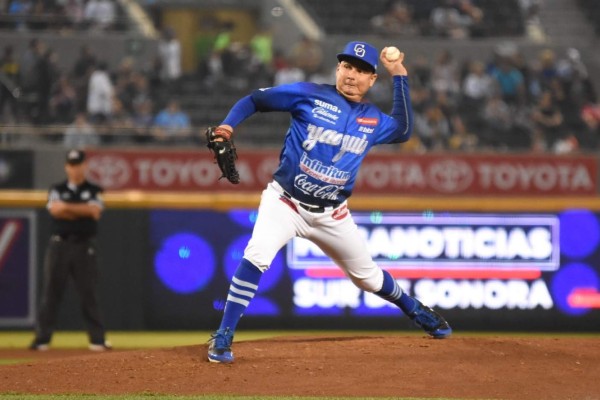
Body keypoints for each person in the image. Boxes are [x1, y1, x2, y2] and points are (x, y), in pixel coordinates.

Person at [207, 41, 452, 364]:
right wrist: (227, 125)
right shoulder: (309, 94)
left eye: (362, 70)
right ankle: (224, 335)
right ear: (337, 69)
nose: (352, 75)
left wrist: (400, 74)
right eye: (347, 66)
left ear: (372, 80)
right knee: (256, 255)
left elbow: (404, 130)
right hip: (285, 203)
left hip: (332, 214)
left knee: (368, 278)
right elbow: (255, 99)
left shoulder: (372, 120)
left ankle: (415, 309)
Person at [30, 149, 111, 352]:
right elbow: (55, 210)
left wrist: (67, 208)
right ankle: (42, 339)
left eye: (78, 164)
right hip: (59, 244)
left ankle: (97, 340)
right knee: (51, 292)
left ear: (85, 165)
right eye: (72, 164)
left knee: (88, 293)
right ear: (67, 167)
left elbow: (94, 212)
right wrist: (80, 210)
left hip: (84, 245)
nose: (75, 168)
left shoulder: (94, 189)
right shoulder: (56, 188)